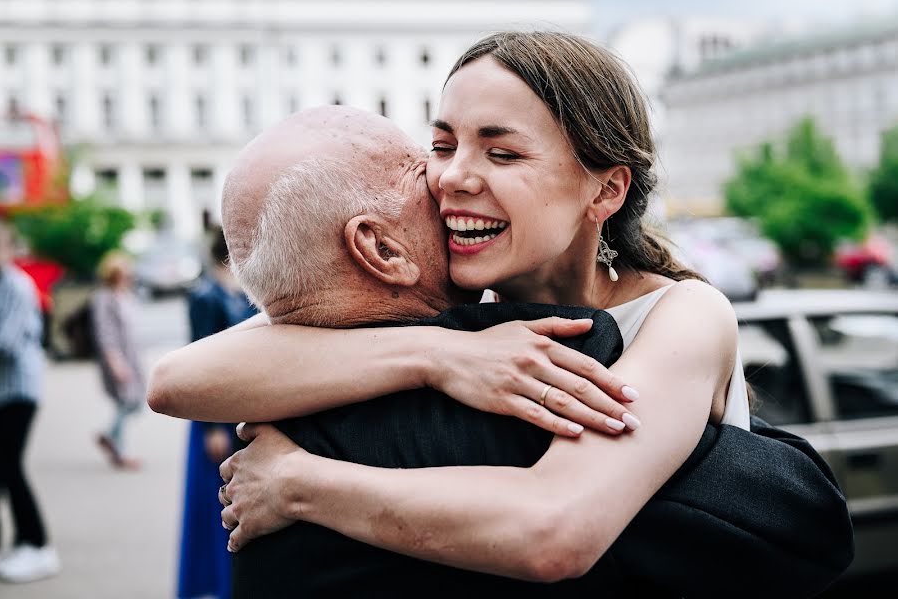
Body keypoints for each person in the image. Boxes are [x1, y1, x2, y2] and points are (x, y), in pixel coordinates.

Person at [150, 35, 852, 595]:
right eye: (443, 144)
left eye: (502, 151)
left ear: (604, 188)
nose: (452, 176)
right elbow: (179, 380)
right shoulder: (456, 303)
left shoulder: (681, 311)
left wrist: (302, 486)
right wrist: (440, 356)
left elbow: (555, 529)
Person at [177, 229, 257, 599]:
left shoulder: (238, 290)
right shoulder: (205, 295)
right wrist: (210, 425)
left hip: (235, 407)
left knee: (234, 497)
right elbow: (200, 359)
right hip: (213, 414)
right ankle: (212, 585)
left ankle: (228, 583)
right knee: (215, 500)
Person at [0, 221, 60, 583]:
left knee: (10, 466)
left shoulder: (17, 286)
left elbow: (5, 343)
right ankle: (25, 541)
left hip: (20, 389)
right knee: (4, 469)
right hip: (4, 391)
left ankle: (38, 545)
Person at [92, 251, 145, 470]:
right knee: (126, 401)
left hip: (131, 356)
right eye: (122, 273)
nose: (127, 276)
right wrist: (115, 361)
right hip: (117, 357)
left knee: (134, 402)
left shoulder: (127, 295)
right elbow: (105, 333)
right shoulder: (104, 298)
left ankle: (109, 435)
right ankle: (119, 450)